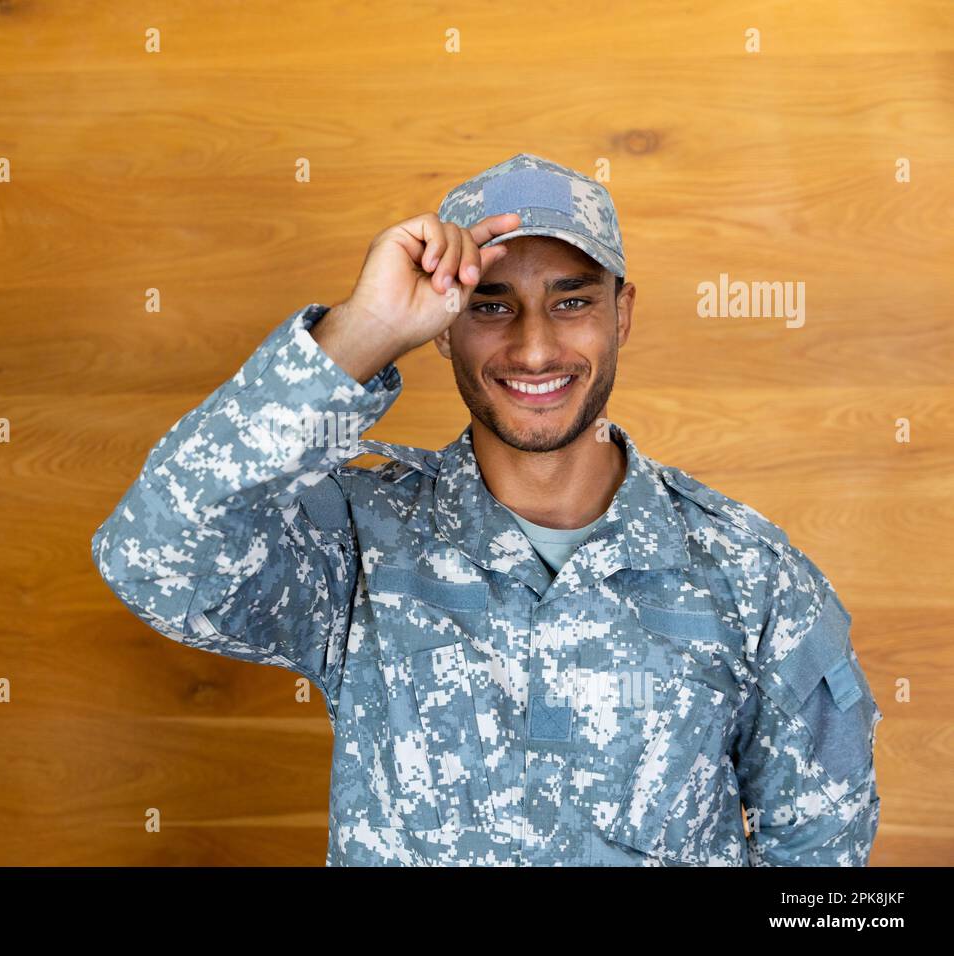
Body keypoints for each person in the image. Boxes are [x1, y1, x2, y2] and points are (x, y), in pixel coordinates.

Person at [91, 152, 882, 866]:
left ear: (623, 313)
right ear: (442, 329)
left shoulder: (750, 578)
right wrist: (361, 332)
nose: (534, 350)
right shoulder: (361, 547)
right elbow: (154, 556)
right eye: (492, 307)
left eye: (572, 302)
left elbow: (824, 863)